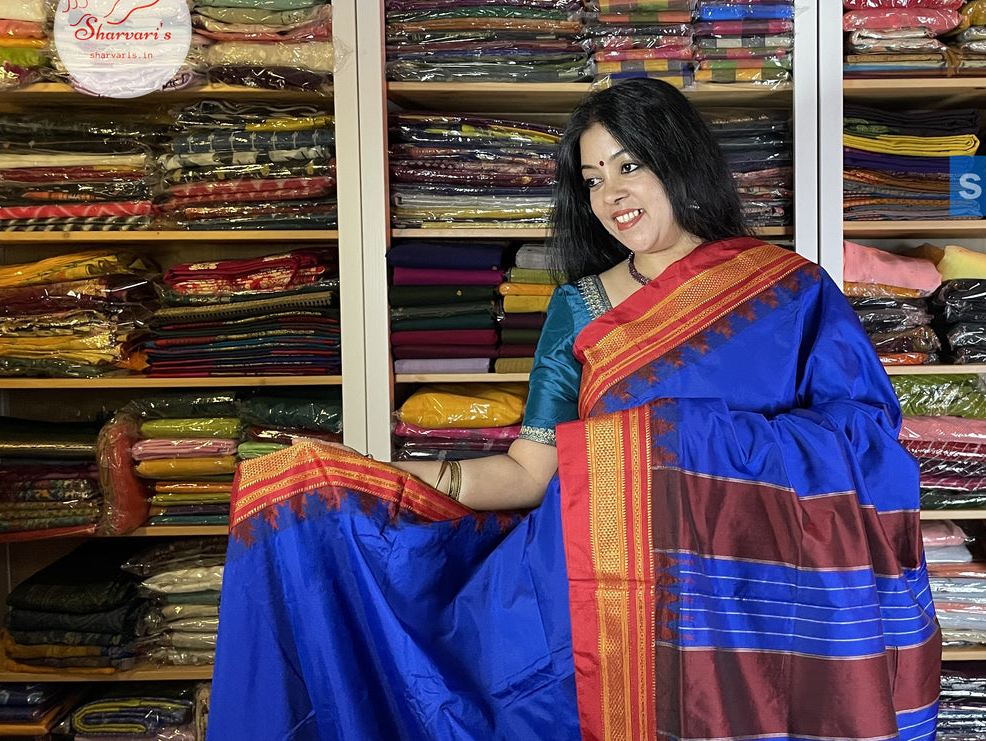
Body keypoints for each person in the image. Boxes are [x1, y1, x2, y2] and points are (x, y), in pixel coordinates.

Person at [208, 79, 940, 741]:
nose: (611, 193)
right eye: (592, 179)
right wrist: (381, 477)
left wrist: (682, 440)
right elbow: (532, 471)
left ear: (679, 163)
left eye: (628, 166)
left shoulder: (789, 291)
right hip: (601, 602)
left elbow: (866, 439)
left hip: (755, 596)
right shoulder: (578, 308)